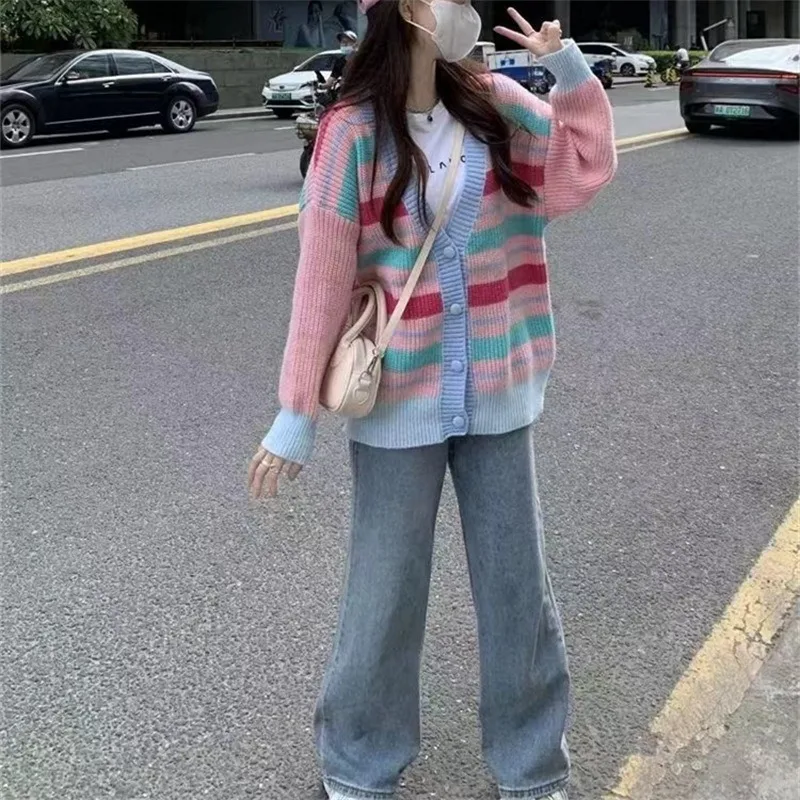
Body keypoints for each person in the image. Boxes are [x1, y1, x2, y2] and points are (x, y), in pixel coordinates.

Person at [248, 1, 616, 799]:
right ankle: (359, 765)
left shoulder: (496, 105)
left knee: (517, 591)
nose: (466, 9)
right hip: (395, 401)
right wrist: (295, 413)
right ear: (409, 11)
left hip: (499, 391)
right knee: (383, 594)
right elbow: (322, 279)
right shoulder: (351, 133)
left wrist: (568, 69)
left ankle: (532, 769)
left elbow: (584, 168)